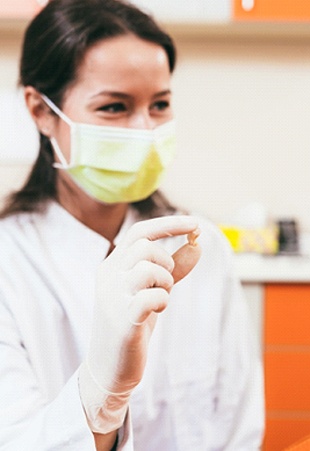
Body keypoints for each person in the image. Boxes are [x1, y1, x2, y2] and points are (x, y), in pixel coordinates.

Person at [0, 0, 265, 449]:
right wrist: (103, 391)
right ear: (41, 111)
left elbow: (240, 425)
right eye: (114, 107)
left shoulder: (204, 247)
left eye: (159, 104)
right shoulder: (9, 261)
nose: (144, 131)